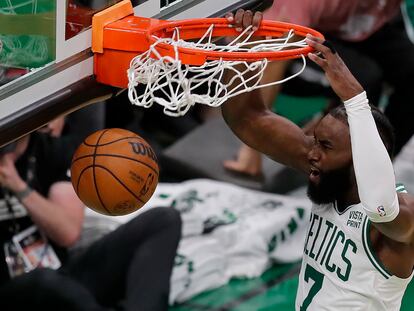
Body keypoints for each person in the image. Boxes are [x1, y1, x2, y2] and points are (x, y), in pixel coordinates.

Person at [222, 11, 414, 310]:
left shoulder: (403, 217)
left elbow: (379, 208)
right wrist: (244, 47)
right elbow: (246, 118)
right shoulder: (325, 172)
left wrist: (355, 99)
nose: (312, 152)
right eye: (315, 139)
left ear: (357, 161)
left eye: (324, 145)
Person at [0, 118, 181, 311]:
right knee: (42, 280)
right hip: (12, 290)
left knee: (163, 220)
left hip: (64, 275)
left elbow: (67, 233)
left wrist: (17, 185)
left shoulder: (52, 149)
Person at [223, 1, 414, 177]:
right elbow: (275, 53)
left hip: (351, 30)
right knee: (364, 82)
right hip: (277, 45)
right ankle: (341, 172)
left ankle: (379, 166)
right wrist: (253, 149)